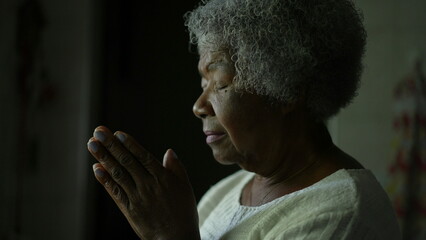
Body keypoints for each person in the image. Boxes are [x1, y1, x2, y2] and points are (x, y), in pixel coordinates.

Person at [87, 0, 401, 239]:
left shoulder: (342, 214)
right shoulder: (228, 191)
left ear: (287, 89)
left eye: (221, 84)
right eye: (202, 84)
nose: (199, 106)